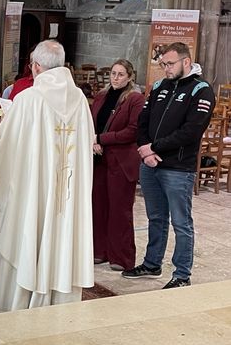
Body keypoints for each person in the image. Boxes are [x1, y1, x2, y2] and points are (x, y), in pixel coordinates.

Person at [0, 40, 95, 313]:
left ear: (36, 66)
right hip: (67, 193)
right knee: (62, 231)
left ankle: (22, 302)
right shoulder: (80, 100)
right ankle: (59, 305)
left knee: (29, 232)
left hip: (35, 192)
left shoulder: (27, 100)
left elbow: (2, 148)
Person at [122, 42, 215, 289]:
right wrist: (145, 150)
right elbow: (143, 120)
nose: (166, 68)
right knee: (156, 218)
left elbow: (191, 132)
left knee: (181, 223)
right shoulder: (161, 86)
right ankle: (152, 264)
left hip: (177, 168)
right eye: (163, 64)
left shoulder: (201, 90)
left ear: (186, 61)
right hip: (150, 164)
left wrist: (155, 147)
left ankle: (182, 274)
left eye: (170, 63)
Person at [90, 59, 145, 272]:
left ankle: (121, 257)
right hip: (99, 159)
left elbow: (132, 131)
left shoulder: (135, 99)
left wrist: (102, 139)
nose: (115, 77)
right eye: (113, 73)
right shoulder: (101, 96)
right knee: (99, 206)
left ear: (130, 77)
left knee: (119, 210)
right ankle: (99, 251)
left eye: (121, 74)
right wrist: (94, 142)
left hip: (121, 161)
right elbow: (91, 123)